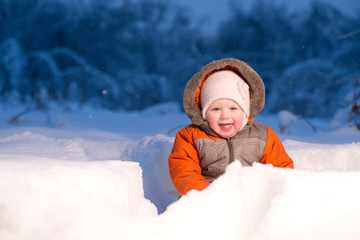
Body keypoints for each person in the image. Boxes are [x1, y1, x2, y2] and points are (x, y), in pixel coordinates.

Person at [168, 58, 294, 196]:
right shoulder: (189, 136)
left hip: (250, 199)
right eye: (216, 109)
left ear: (245, 111)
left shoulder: (263, 136)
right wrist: (206, 195)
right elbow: (184, 172)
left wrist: (265, 195)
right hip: (205, 200)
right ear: (204, 113)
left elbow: (281, 170)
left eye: (233, 108)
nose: (224, 115)